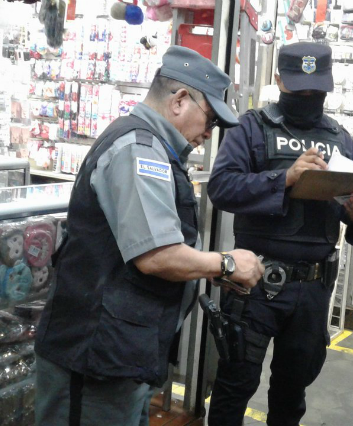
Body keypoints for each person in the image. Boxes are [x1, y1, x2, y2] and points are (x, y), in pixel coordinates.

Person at [33, 46, 265, 426]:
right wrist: (225, 264)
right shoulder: (137, 150)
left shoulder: (155, 151)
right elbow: (156, 255)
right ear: (179, 100)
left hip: (121, 353)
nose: (208, 134)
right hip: (93, 356)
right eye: (209, 120)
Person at [206, 42, 353, 426]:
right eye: (299, 89)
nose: (308, 97)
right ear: (279, 80)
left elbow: (348, 214)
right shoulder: (251, 127)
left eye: (316, 90)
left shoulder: (340, 138)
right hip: (255, 283)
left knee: (291, 392)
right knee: (235, 385)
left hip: (313, 290)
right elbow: (221, 188)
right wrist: (284, 179)